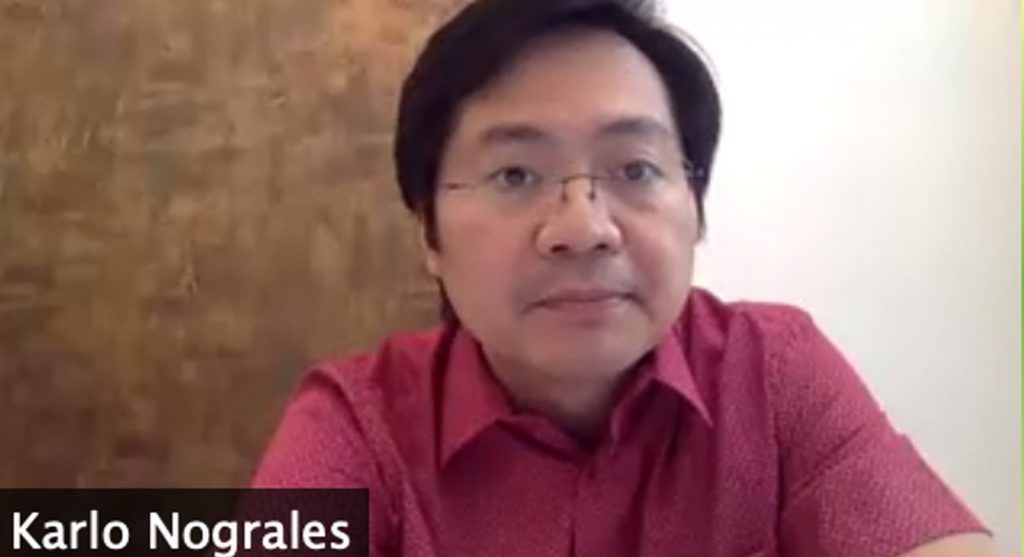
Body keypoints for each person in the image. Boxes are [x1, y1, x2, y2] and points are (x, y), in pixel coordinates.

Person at [252, 0, 997, 555]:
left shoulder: (776, 371)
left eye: (635, 169)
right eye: (515, 174)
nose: (584, 228)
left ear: (695, 209)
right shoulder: (356, 424)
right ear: (429, 233)